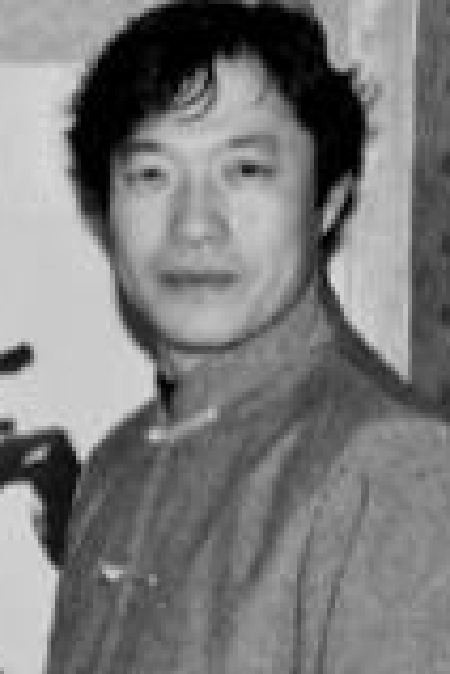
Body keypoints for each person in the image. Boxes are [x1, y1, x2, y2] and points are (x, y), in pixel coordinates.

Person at [44, 1, 450, 672]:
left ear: (329, 200)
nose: (194, 224)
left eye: (245, 171)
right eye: (151, 174)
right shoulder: (114, 466)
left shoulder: (392, 467)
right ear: (104, 210)